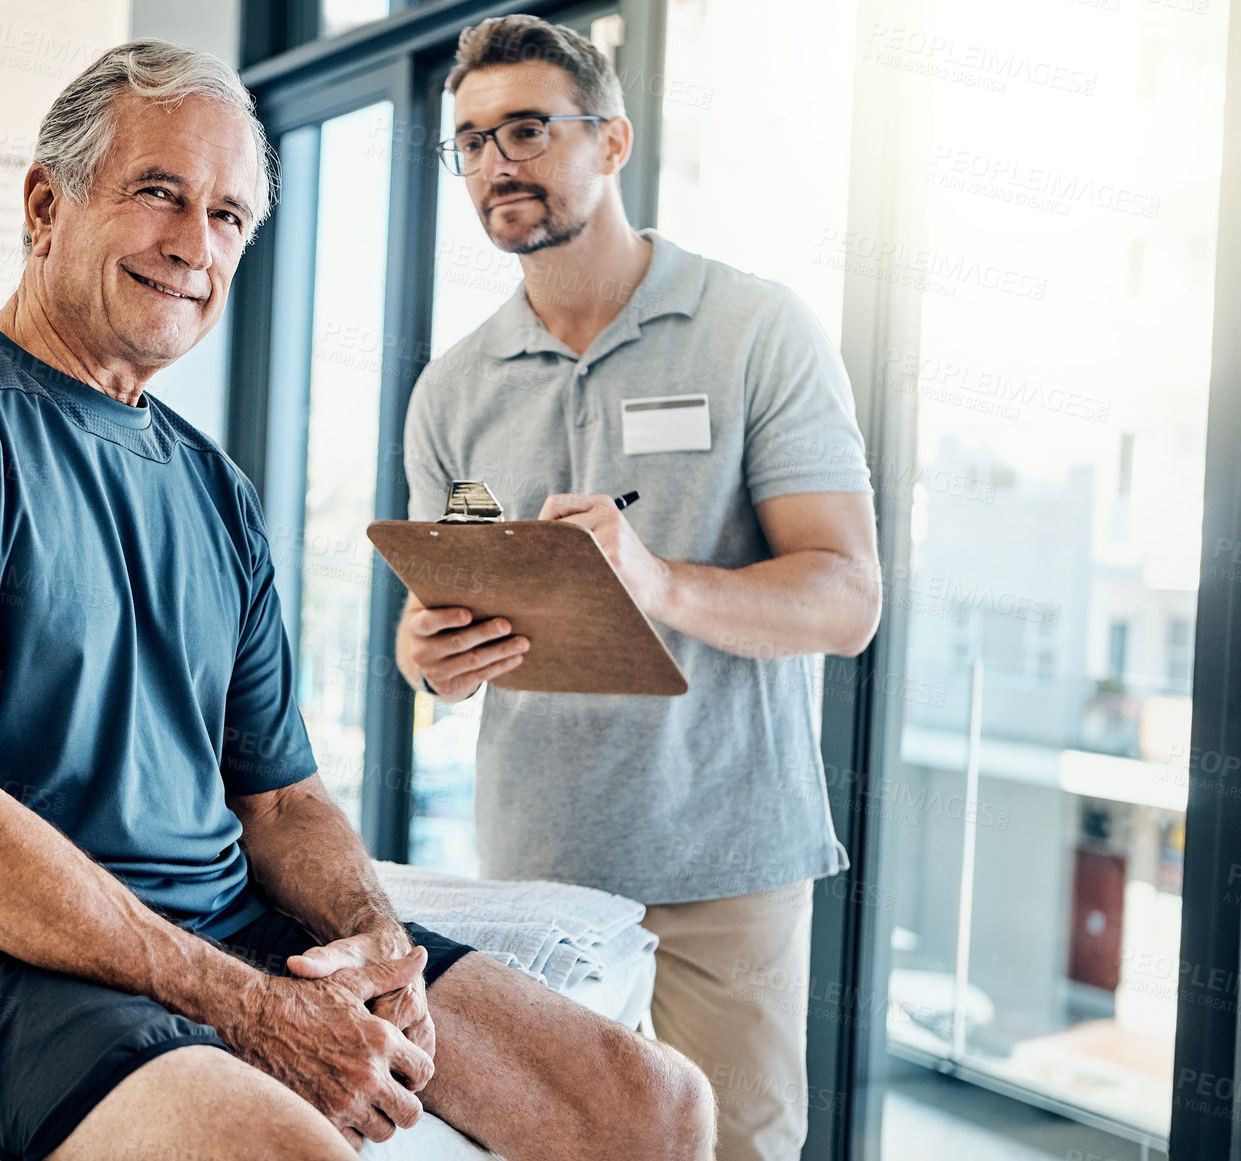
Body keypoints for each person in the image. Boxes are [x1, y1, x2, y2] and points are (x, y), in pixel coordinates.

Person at [0, 38, 714, 1161]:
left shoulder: (210, 487)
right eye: (158, 193)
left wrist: (377, 946)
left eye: (226, 218)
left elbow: (282, 804)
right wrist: (252, 1011)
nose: (192, 245)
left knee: (653, 1104)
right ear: (45, 204)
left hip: (217, 926)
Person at [394, 17, 883, 1161]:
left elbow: (845, 599)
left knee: (740, 1150)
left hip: (731, 863)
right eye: (468, 142)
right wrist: (429, 658)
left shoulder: (757, 330)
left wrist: (656, 581)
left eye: (525, 129)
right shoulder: (451, 390)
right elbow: (440, 628)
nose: (495, 163)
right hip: (536, 866)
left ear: (611, 142)